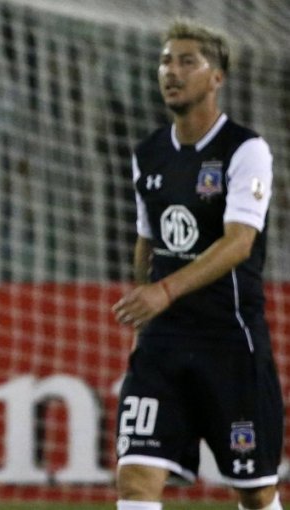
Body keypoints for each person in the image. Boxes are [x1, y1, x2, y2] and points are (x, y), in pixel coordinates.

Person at [112, 20, 283, 510]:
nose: (173, 71)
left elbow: (238, 243)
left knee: (255, 492)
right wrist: (144, 315)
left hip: (228, 341)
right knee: (135, 479)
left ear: (217, 78)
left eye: (189, 61)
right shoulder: (148, 154)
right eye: (167, 60)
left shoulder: (246, 149)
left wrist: (163, 292)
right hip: (163, 343)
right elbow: (148, 242)